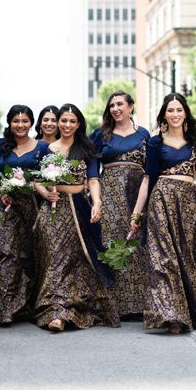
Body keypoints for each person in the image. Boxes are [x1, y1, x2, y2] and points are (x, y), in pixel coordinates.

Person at [129, 93, 196, 334]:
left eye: (179, 110)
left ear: (185, 113)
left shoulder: (195, 142)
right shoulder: (154, 143)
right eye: (170, 110)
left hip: (188, 203)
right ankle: (171, 315)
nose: (175, 114)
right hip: (160, 201)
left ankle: (190, 310)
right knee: (163, 258)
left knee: (187, 257)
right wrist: (136, 216)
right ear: (164, 115)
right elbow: (148, 179)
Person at [31, 103, 118, 332]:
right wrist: (45, 192)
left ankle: (71, 307)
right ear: (58, 123)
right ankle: (56, 311)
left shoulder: (86, 149)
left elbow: (92, 179)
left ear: (78, 124)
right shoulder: (47, 149)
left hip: (78, 207)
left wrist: (97, 203)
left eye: (72, 121)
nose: (67, 125)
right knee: (54, 258)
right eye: (63, 120)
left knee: (73, 260)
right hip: (52, 210)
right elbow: (37, 179)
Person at [91, 91, 150, 319]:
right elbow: (91, 168)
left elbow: (152, 167)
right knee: (113, 239)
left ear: (130, 107)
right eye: (112, 105)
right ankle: (116, 304)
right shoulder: (100, 134)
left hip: (138, 193)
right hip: (110, 191)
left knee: (138, 240)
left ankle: (139, 303)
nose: (115, 108)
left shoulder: (144, 134)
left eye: (120, 104)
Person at [0, 105, 50, 323]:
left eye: (25, 121)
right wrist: (2, 191)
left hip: (35, 206)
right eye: (16, 121)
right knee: (6, 252)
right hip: (8, 208)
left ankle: (32, 304)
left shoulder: (43, 147)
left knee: (33, 254)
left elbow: (49, 176)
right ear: (9, 123)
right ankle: (7, 307)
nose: (20, 125)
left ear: (31, 123)